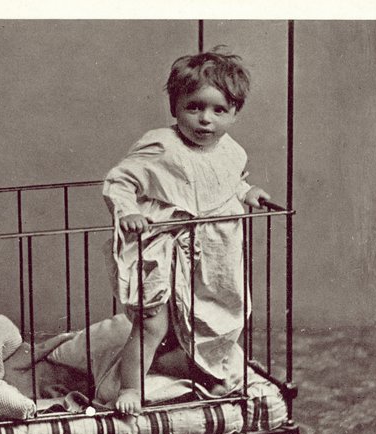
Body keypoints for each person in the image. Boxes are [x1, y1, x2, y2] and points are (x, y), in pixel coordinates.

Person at [102, 48, 270, 415]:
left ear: (235, 113)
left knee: (210, 318)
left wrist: (247, 192)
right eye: (194, 107)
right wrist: (129, 211)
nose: (205, 119)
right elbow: (119, 181)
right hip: (162, 250)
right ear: (175, 107)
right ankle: (130, 387)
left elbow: (227, 184)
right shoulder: (162, 146)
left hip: (208, 255)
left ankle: (178, 366)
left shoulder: (230, 151)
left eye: (219, 110)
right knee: (152, 323)